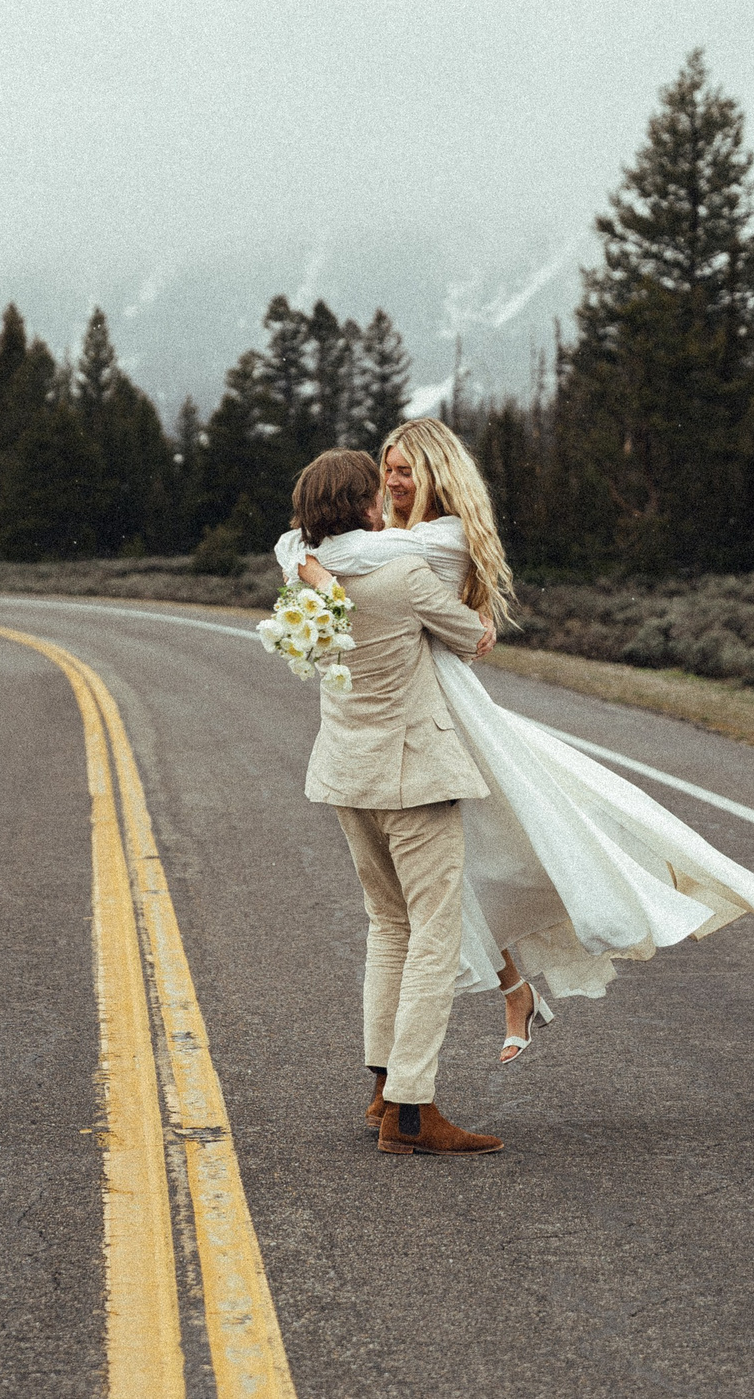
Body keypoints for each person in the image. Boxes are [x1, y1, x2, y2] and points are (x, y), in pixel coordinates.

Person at [279, 418, 754, 1070]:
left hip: (443, 722)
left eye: (404, 470)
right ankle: (503, 1001)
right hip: (420, 713)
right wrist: (304, 557)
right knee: (467, 871)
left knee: (506, 854)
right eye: (386, 470)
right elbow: (342, 559)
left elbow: (343, 559)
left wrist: (302, 558)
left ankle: (434, 1061)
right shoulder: (392, 538)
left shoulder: (435, 539)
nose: (392, 481)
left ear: (433, 473)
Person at [290, 448, 506, 1157]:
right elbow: (472, 636)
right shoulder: (401, 573)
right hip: (414, 776)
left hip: (349, 774)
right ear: (364, 507)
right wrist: (482, 617)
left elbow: (296, 548)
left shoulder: (304, 570)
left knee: (388, 925)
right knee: (433, 935)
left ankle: (383, 1085)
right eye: (376, 495)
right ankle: (412, 1110)